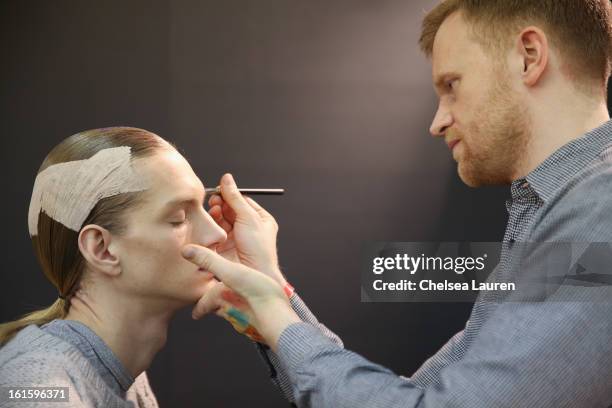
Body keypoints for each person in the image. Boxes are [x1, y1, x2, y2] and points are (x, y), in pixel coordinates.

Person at [181, 1, 612, 407]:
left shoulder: (600, 209)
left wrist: (276, 315)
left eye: (451, 85)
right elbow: (411, 397)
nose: (437, 121)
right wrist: (273, 295)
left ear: (528, 56)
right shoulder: (557, 212)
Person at [0, 127, 231, 407]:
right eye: (179, 218)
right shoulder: (39, 389)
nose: (217, 234)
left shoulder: (123, 374)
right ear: (102, 249)